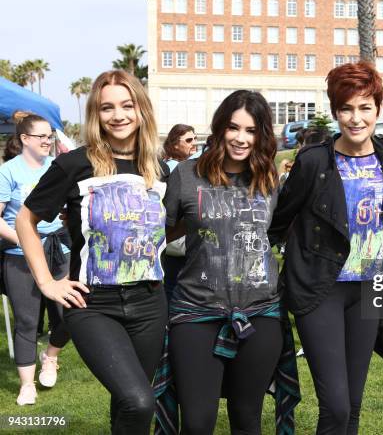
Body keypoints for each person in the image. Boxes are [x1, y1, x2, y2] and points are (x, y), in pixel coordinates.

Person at [16, 70, 169, 434]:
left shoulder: (158, 168)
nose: (118, 115)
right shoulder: (74, 164)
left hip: (150, 303)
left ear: (141, 109)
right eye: (107, 108)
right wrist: (48, 283)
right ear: (95, 115)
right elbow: (26, 219)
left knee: (127, 405)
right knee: (139, 401)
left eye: (127, 105)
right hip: (93, 306)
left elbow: (169, 226)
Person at [268, 62, 383, 434]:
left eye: (365, 107)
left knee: (354, 404)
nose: (356, 118)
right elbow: (279, 222)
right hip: (320, 290)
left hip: (368, 290)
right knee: (335, 404)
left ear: (378, 109)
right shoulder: (315, 161)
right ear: (335, 112)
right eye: (346, 108)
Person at [155, 90, 300, 435]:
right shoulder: (186, 175)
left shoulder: (269, 180)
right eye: (234, 128)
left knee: (247, 418)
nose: (241, 138)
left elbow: (282, 233)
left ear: (262, 135)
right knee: (197, 421)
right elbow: (158, 231)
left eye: (251, 131)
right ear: (220, 128)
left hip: (261, 314)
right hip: (195, 310)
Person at [0, 112, 71, 405]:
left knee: (73, 315)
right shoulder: (9, 171)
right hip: (19, 256)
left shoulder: (58, 168)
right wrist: (27, 243)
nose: (47, 140)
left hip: (60, 251)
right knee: (27, 321)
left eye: (49, 136)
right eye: (41, 136)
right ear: (24, 139)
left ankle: (51, 355)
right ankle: (27, 385)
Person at [161, 124, 197, 302]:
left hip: (180, 241)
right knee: (174, 287)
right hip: (177, 237)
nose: (194, 143)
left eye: (195, 138)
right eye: (189, 140)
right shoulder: (173, 169)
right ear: (175, 144)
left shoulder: (187, 167)